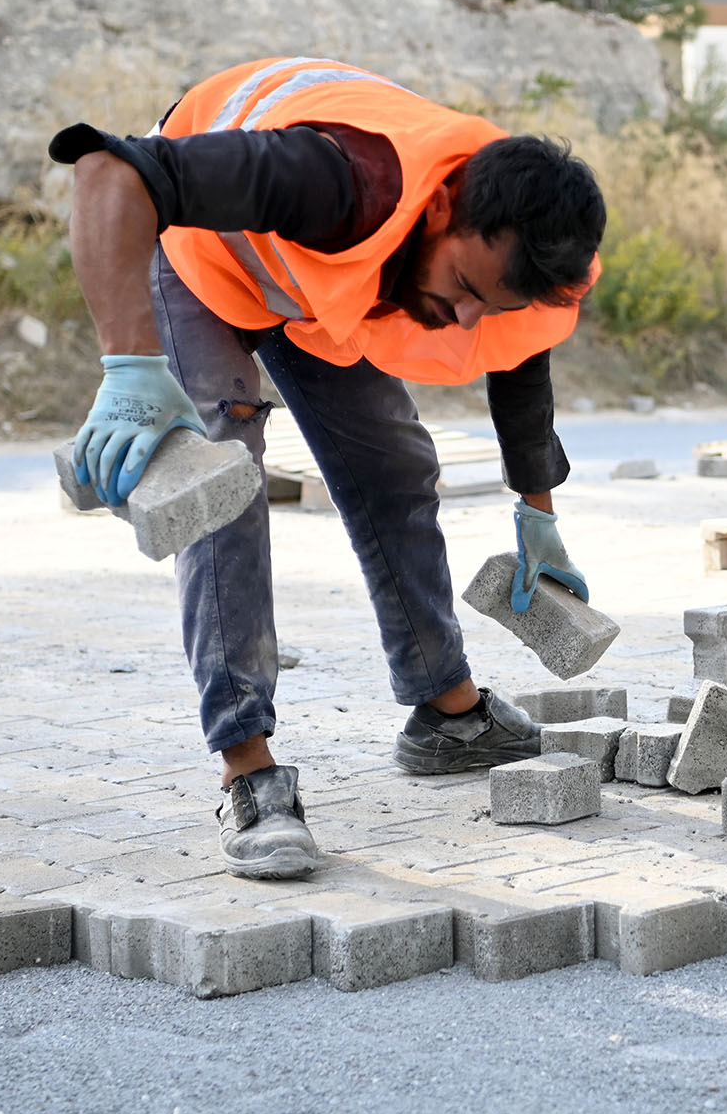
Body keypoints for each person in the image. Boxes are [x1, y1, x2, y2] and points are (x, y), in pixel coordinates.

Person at [50, 56, 606, 881]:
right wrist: (129, 367)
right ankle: (250, 771)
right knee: (220, 480)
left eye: (488, 304)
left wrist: (538, 510)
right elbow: (106, 169)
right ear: (444, 207)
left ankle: (447, 715)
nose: (463, 319)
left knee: (395, 466)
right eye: (462, 286)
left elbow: (518, 355)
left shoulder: (522, 264)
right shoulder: (337, 179)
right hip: (205, 255)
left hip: (319, 285)